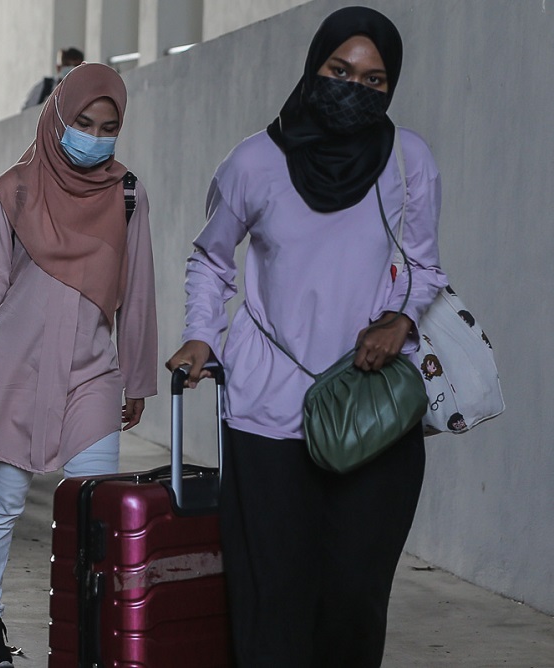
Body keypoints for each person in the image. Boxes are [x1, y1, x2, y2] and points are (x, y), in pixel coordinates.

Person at [165, 7, 447, 666]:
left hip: (371, 409)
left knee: (354, 595)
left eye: (374, 81)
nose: (355, 88)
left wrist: (398, 319)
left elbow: (424, 264)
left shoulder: (410, 160)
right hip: (268, 410)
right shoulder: (254, 163)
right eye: (339, 71)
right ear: (313, 67)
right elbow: (210, 259)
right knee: (273, 593)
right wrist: (201, 335)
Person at [0, 63, 158, 667]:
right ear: (57, 117)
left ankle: (91, 629)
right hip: (15, 372)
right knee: (1, 503)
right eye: (83, 122)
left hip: (90, 375)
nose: (95, 136)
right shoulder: (16, 191)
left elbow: (138, 293)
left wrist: (136, 375)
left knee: (94, 509)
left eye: (108, 127)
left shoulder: (127, 194)